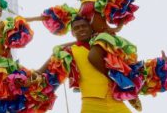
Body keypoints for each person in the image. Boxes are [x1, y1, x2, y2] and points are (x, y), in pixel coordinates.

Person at [36, 16, 167, 113]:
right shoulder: (67, 52)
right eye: (76, 28)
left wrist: (160, 65)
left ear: (90, 28)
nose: (81, 29)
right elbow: (48, 75)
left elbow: (131, 70)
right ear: (72, 33)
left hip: (115, 101)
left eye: (84, 26)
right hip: (91, 104)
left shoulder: (106, 47)